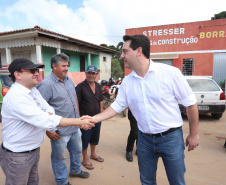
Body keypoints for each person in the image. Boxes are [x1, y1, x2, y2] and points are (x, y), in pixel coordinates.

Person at [83, 34, 199, 185]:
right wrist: (93, 119)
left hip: (171, 139)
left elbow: (191, 103)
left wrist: (194, 134)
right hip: (144, 140)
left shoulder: (170, 73)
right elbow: (117, 106)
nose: (122, 55)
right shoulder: (127, 82)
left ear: (139, 51)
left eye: (125, 51)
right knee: (146, 181)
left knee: (176, 181)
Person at [0, 58, 94, 185]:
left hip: (32, 150)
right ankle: (62, 180)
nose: (36, 73)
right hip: (18, 155)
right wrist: (78, 121)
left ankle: (75, 170)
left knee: (33, 181)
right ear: (17, 75)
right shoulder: (17, 97)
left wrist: (47, 116)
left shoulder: (33, 91)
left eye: (37, 70)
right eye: (32, 70)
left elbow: (49, 109)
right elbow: (46, 119)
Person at [37, 53, 90, 185]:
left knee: (77, 151)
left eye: (67, 65)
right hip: (59, 131)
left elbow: (74, 98)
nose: (67, 68)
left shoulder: (68, 80)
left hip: (74, 127)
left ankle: (75, 170)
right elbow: (39, 110)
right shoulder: (46, 85)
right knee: (59, 158)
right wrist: (48, 130)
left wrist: (77, 118)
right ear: (54, 66)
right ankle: (61, 181)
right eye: (63, 66)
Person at [75, 65, 104, 170]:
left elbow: (101, 100)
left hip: (97, 118)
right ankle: (85, 158)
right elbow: (76, 101)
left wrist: (101, 114)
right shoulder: (80, 87)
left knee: (95, 137)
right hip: (85, 119)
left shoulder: (98, 85)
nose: (91, 75)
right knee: (85, 138)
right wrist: (78, 116)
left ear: (96, 74)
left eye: (93, 73)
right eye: (89, 73)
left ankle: (93, 154)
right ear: (85, 73)